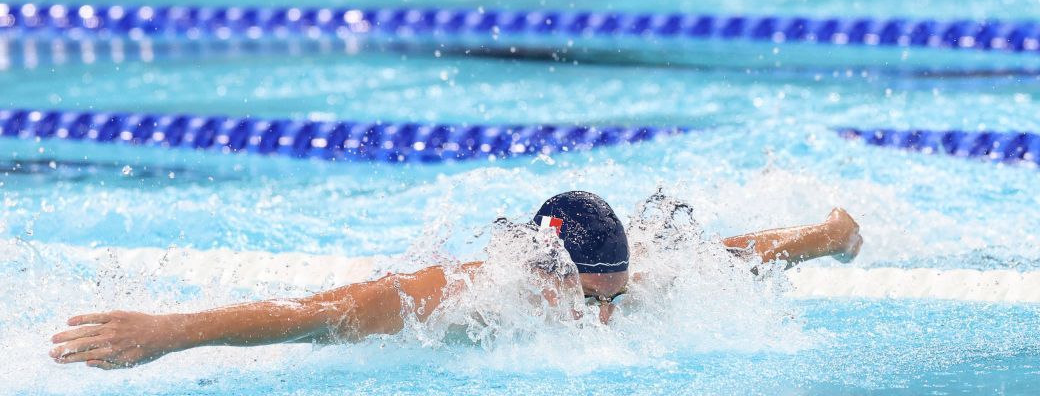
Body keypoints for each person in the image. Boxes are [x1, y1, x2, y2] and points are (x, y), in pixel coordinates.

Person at [50, 191, 863, 369]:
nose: (605, 322)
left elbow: (731, 253)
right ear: (550, 276)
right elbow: (311, 314)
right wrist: (169, 333)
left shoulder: (627, 280)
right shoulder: (460, 293)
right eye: (589, 304)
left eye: (614, 302)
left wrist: (828, 236)